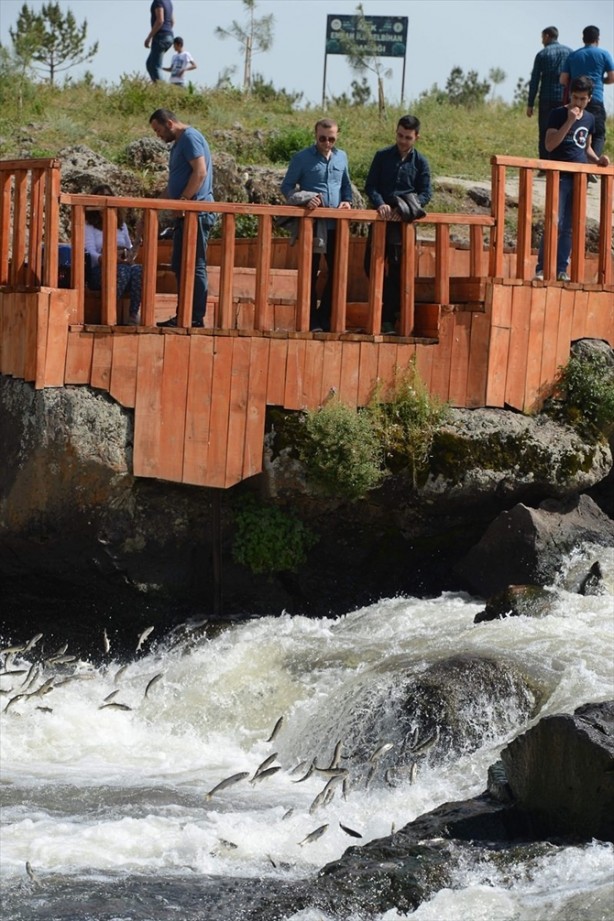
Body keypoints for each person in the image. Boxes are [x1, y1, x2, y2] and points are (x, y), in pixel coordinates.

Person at [534, 76, 610, 282]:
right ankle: (541, 268)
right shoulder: (558, 114)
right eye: (575, 98)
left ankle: (561, 269)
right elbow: (550, 145)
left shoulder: (590, 119)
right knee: (553, 222)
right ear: (570, 96)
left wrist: (598, 159)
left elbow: (585, 148)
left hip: (579, 177)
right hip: (559, 176)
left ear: (589, 99)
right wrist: (569, 120)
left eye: (583, 99)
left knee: (569, 226)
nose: (578, 103)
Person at [280, 118, 352, 332]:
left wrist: (347, 201)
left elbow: (346, 185)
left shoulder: (342, 157)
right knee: (310, 273)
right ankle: (310, 320)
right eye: (323, 138)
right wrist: (305, 198)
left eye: (331, 139)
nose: (327, 143)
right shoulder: (301, 158)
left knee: (338, 271)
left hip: (336, 224)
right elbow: (287, 188)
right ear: (315, 135)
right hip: (312, 225)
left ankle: (326, 317)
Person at [364, 114, 432, 334]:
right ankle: (386, 312)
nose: (403, 141)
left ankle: (389, 318)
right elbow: (371, 185)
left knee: (398, 271)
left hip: (403, 224)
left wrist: (404, 209)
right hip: (382, 219)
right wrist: (380, 203)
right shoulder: (382, 156)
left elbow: (426, 193)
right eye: (400, 135)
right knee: (370, 265)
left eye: (408, 137)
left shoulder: (421, 162)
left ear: (416, 137)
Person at [149, 108, 215, 328]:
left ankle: (194, 317)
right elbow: (174, 184)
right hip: (185, 213)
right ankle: (184, 314)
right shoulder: (178, 144)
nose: (158, 136)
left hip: (196, 213)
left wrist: (185, 200)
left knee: (194, 264)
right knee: (179, 264)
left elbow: (200, 171)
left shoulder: (189, 137)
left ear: (169, 123)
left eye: (158, 130)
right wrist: (156, 206)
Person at [85, 184, 143, 325]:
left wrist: (131, 253)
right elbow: (89, 251)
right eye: (101, 197)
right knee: (122, 271)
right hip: (100, 269)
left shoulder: (121, 225)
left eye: (108, 196)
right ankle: (109, 312)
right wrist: (106, 259)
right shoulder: (89, 225)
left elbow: (128, 247)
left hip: (122, 265)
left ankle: (133, 315)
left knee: (138, 270)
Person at [560, 25, 614, 158]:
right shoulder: (604, 54)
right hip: (595, 98)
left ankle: (576, 161)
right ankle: (592, 166)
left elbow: (563, 80)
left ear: (583, 38)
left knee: (573, 131)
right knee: (598, 134)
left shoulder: (573, 55)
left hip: (575, 99)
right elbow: (612, 77)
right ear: (598, 39)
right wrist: (601, 81)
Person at [526, 27, 572, 161]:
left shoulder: (542, 54)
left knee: (545, 131)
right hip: (565, 98)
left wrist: (530, 104)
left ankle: (545, 163)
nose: (542, 41)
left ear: (547, 36)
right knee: (563, 130)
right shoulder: (570, 52)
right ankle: (559, 161)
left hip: (546, 98)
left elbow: (534, 80)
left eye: (542, 37)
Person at [145, 0, 174, 83]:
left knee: (155, 66)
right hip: (169, 36)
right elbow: (172, 22)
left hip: (160, 37)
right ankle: (157, 86)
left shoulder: (158, 1)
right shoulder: (168, 2)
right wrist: (167, 32)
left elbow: (160, 20)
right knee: (150, 64)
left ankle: (162, 90)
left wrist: (149, 37)